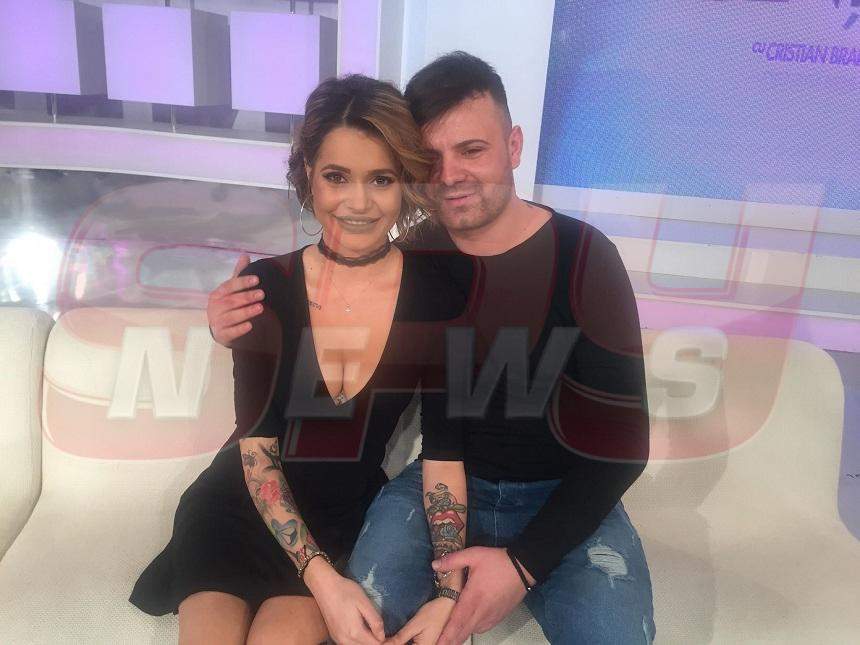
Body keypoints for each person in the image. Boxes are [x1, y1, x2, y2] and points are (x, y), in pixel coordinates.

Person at [210, 53, 656, 644]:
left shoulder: (584, 257)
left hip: (564, 497)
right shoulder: (413, 259)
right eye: (431, 158)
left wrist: (521, 567)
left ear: (514, 146)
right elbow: (322, 294)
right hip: (437, 487)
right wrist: (232, 320)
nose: (449, 175)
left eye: (472, 150)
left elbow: (625, 446)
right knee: (364, 628)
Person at [129, 74, 469, 645]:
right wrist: (324, 582)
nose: (358, 202)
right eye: (337, 176)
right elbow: (256, 450)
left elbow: (444, 456)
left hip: (338, 517)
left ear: (404, 182)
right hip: (236, 504)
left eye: (381, 179)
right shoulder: (265, 287)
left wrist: (448, 594)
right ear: (308, 173)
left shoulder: (436, 295)